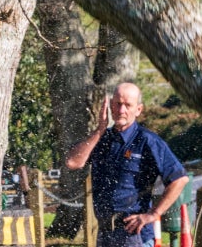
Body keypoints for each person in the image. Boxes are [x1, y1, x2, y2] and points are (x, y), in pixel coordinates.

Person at [64, 81, 190, 247]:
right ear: (110, 106)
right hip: (105, 234)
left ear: (138, 110)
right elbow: (73, 162)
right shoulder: (101, 140)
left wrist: (154, 213)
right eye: (118, 104)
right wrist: (99, 130)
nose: (121, 110)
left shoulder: (148, 141)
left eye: (128, 105)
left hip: (135, 234)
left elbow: (180, 179)